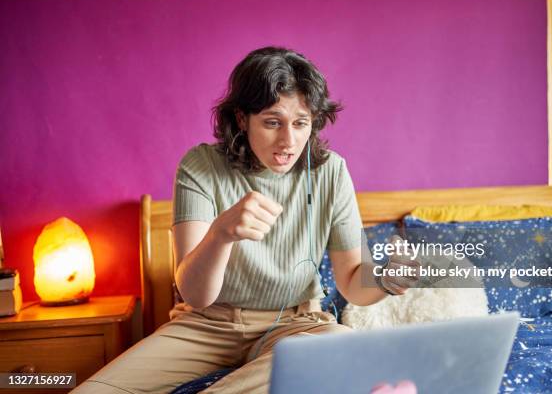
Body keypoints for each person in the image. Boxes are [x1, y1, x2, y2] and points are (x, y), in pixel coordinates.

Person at [73, 46, 413, 394]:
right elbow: (196, 294)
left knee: (339, 343)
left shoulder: (330, 171)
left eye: (301, 123)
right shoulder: (201, 167)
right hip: (206, 326)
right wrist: (221, 234)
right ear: (241, 118)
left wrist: (385, 279)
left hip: (295, 325)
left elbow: (352, 280)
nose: (289, 141)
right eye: (272, 122)